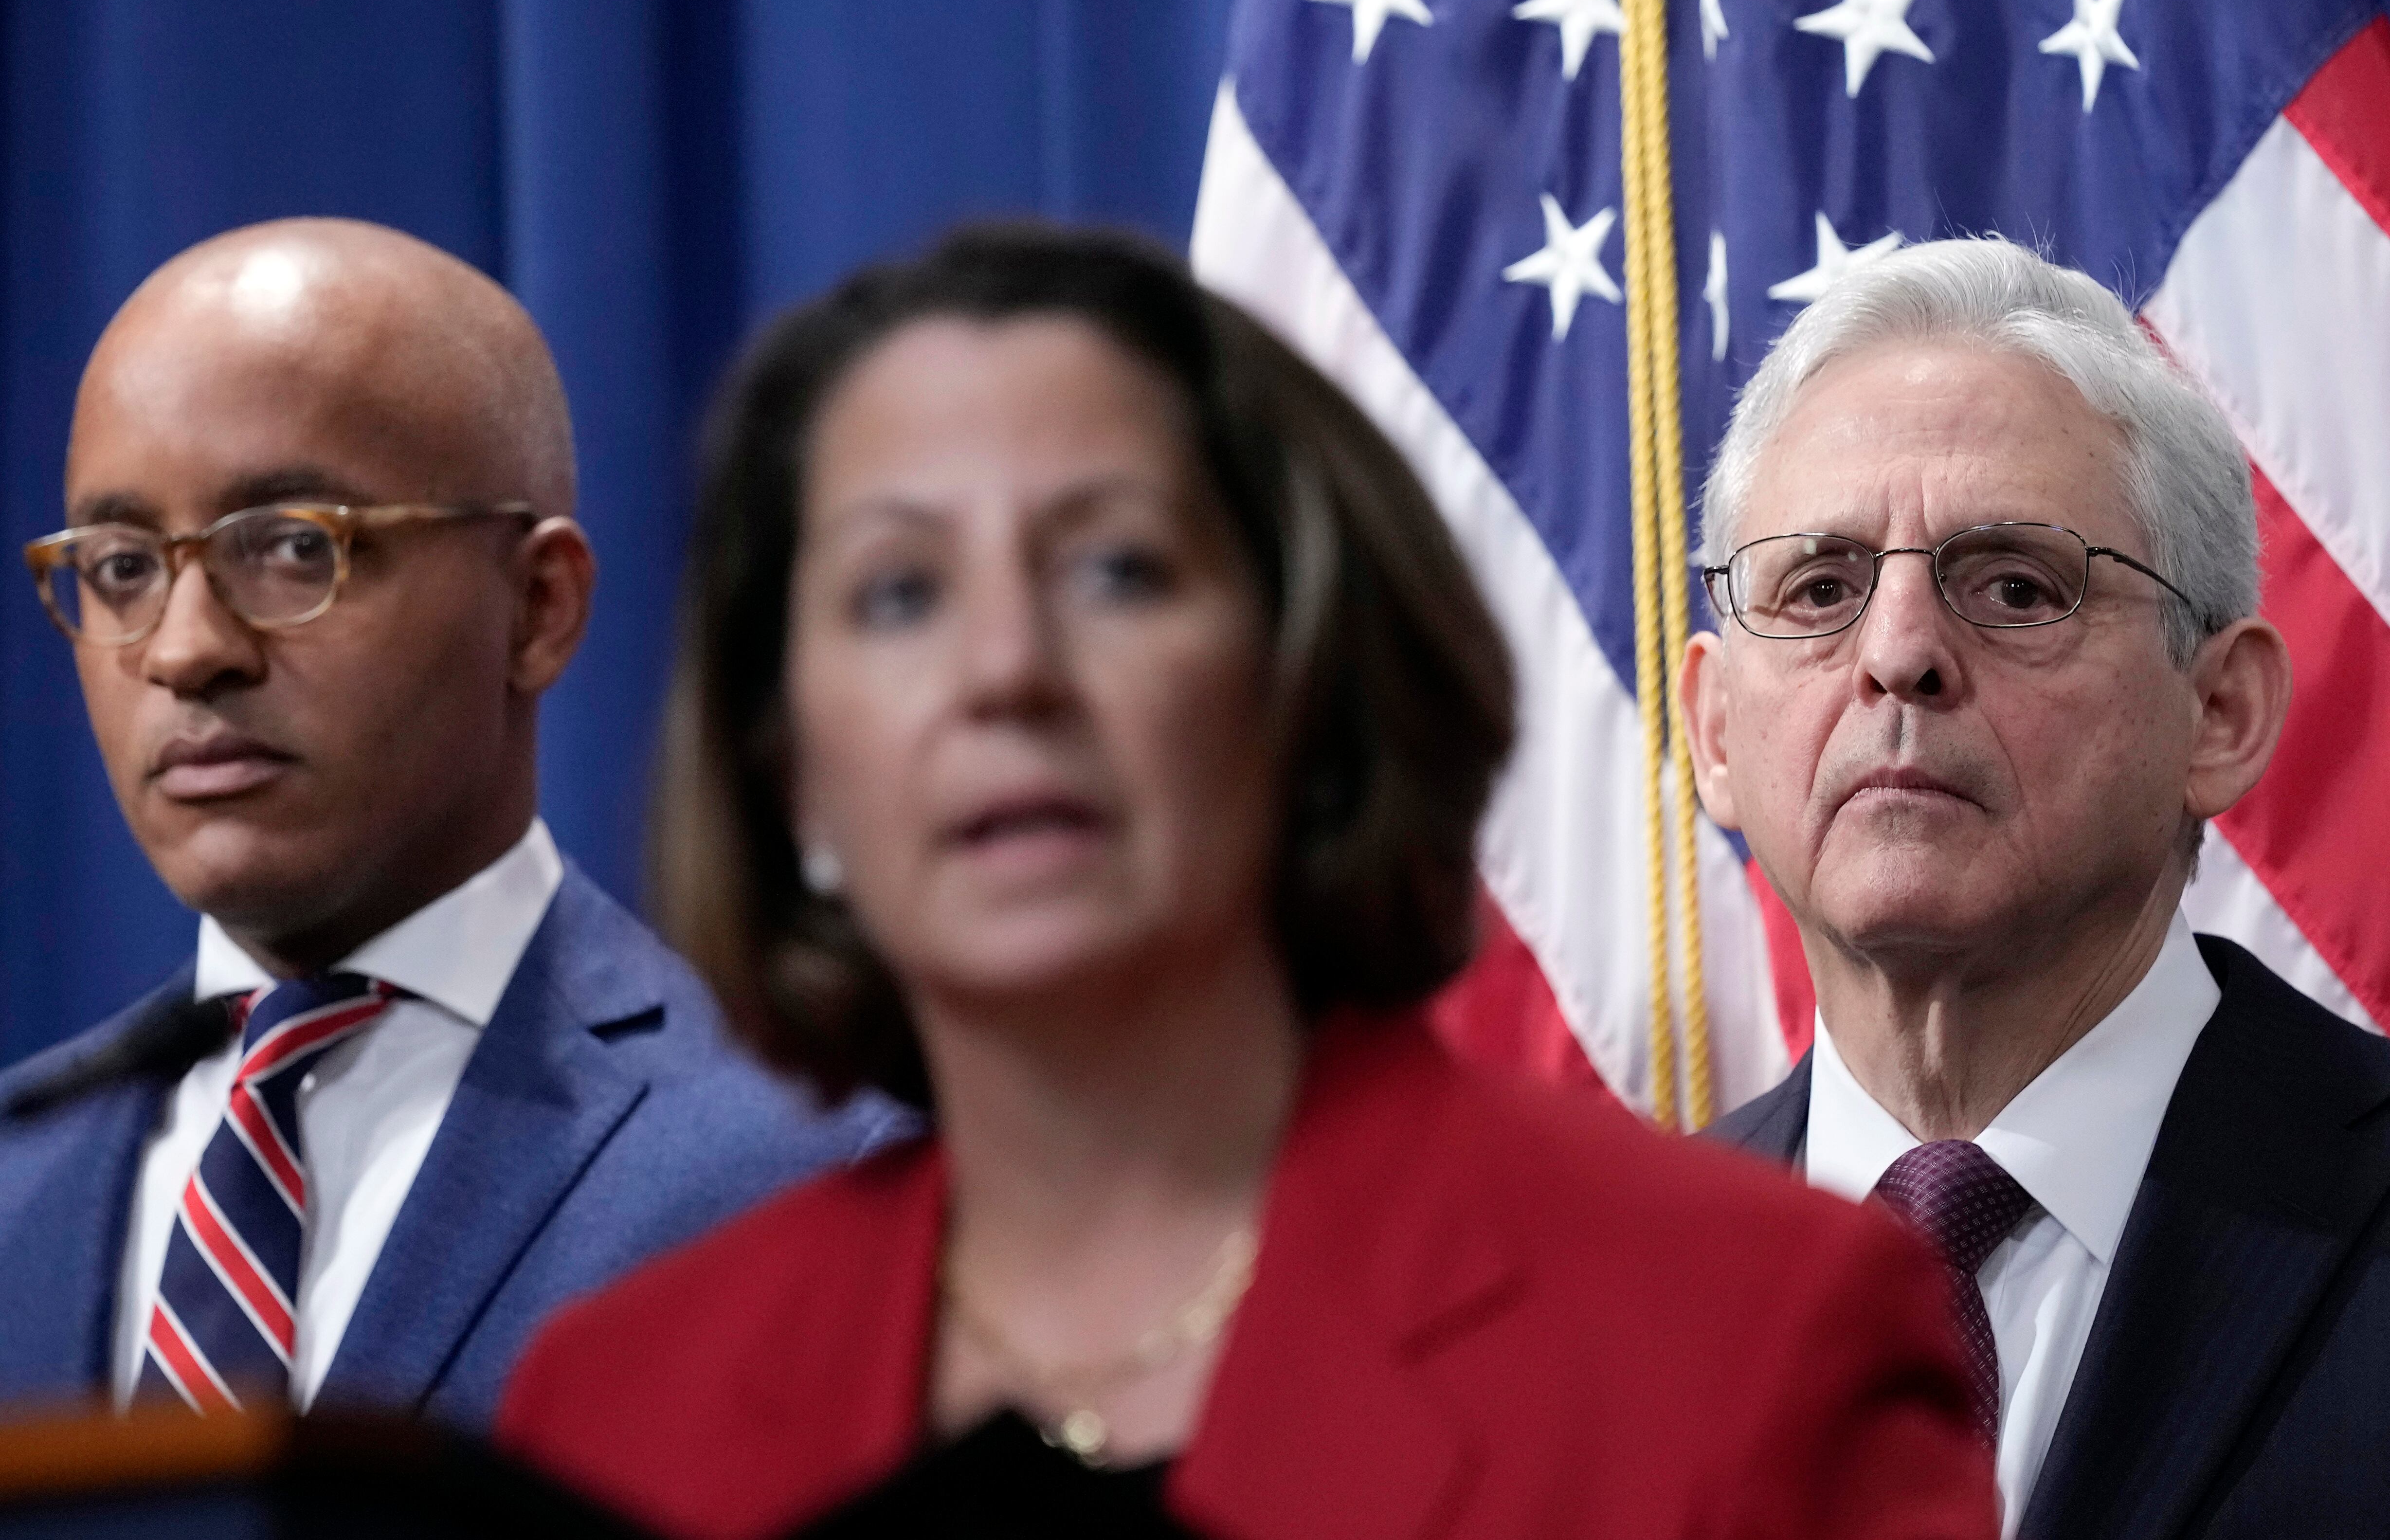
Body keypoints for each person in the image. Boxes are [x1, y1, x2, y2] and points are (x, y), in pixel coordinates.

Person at [496, 224, 1996, 1540]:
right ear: (793, 766)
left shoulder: (1747, 1335)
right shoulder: (617, 1404)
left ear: (1309, 675)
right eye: (899, 593)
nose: (1005, 670)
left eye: (1117, 570)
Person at [0, 218, 902, 1429]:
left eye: (293, 548)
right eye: (122, 568)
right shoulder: (18, 1174)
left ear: (537, 606)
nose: (184, 650)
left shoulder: (816, 1176)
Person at [1687, 236, 2390, 1538]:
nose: (1898, 652)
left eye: (2016, 586)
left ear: (2219, 713)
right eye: (1822, 586)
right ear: (1716, 730)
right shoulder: (1583, 1291)